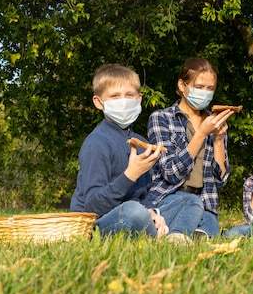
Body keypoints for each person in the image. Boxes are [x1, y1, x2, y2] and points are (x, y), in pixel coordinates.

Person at [70, 64, 200, 243]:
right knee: (133, 211)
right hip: (98, 224)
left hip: (137, 214)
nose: (123, 101)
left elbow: (145, 194)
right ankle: (156, 236)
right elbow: (92, 206)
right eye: (115, 96)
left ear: (139, 99)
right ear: (99, 102)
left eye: (129, 95)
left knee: (188, 200)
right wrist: (131, 174)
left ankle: (175, 236)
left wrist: (153, 212)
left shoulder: (141, 142)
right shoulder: (96, 143)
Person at [146, 57, 234, 238]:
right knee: (191, 202)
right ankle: (178, 236)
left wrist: (218, 140)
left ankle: (192, 236)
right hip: (169, 198)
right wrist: (201, 134)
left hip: (205, 200)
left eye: (210, 89)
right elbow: (170, 172)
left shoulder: (214, 123)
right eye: (199, 87)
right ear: (182, 85)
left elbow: (221, 180)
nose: (205, 93)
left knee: (210, 222)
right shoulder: (161, 118)